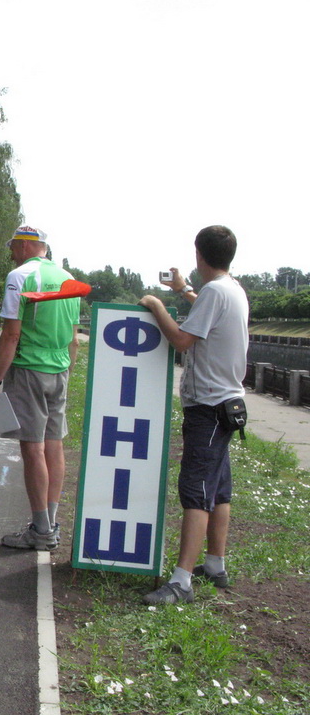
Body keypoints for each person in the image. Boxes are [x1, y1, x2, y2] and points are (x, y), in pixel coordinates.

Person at [138, 225, 249, 605]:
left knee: (196, 491)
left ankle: (181, 581)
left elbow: (182, 340)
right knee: (218, 489)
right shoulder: (231, 289)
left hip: (208, 406)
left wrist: (157, 306)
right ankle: (215, 564)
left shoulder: (215, 292)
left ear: (199, 255)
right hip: (228, 402)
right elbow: (207, 308)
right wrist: (183, 289)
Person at [0, 226, 80, 551]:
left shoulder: (19, 277)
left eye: (13, 246)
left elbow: (11, 334)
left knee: (33, 447)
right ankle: (50, 523)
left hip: (29, 368)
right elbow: (74, 337)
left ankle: (40, 530)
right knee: (54, 445)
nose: (11, 253)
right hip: (59, 369)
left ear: (25, 246)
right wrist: (67, 369)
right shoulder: (67, 277)